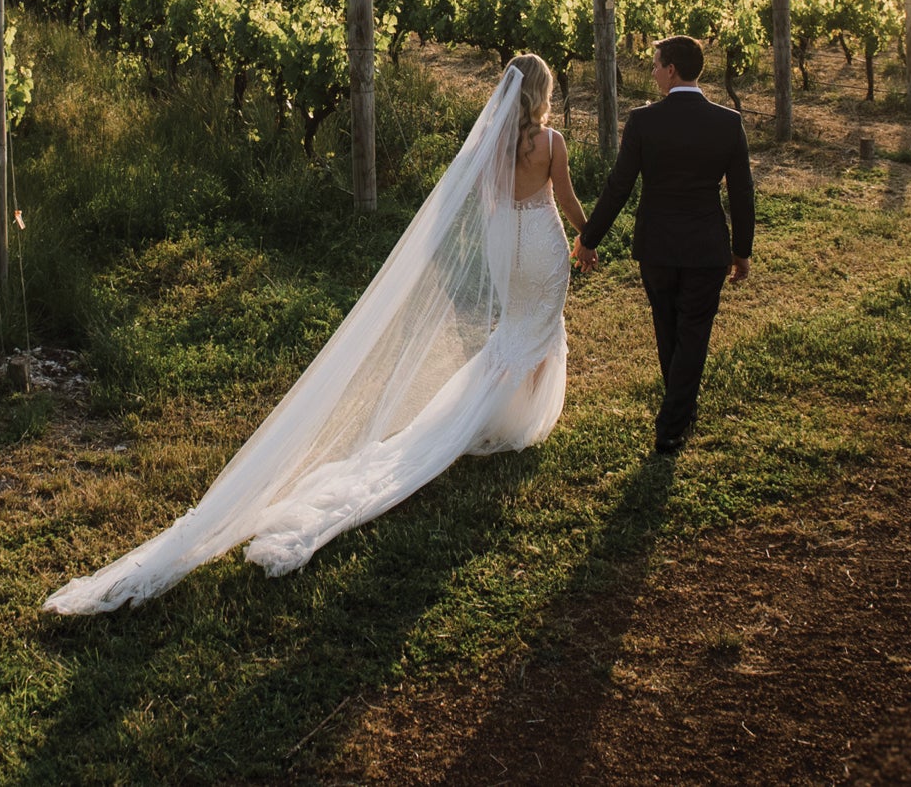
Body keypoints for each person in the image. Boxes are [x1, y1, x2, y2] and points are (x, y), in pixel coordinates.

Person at [44, 53, 587, 613]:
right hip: (543, 242)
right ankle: (518, 418)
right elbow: (566, 199)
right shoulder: (552, 144)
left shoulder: (489, 145)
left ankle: (498, 412)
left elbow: (482, 202)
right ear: (544, 95)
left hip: (505, 245)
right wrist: (586, 235)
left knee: (513, 327)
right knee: (538, 326)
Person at [573, 34, 754, 455]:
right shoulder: (728, 122)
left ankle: (672, 422)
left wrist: (588, 238)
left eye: (656, 64)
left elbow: (619, 186)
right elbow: (742, 192)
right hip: (706, 246)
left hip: (656, 246)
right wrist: (741, 250)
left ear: (672, 69)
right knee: (693, 333)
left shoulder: (644, 121)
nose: (652, 72)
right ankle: (679, 414)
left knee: (668, 327)